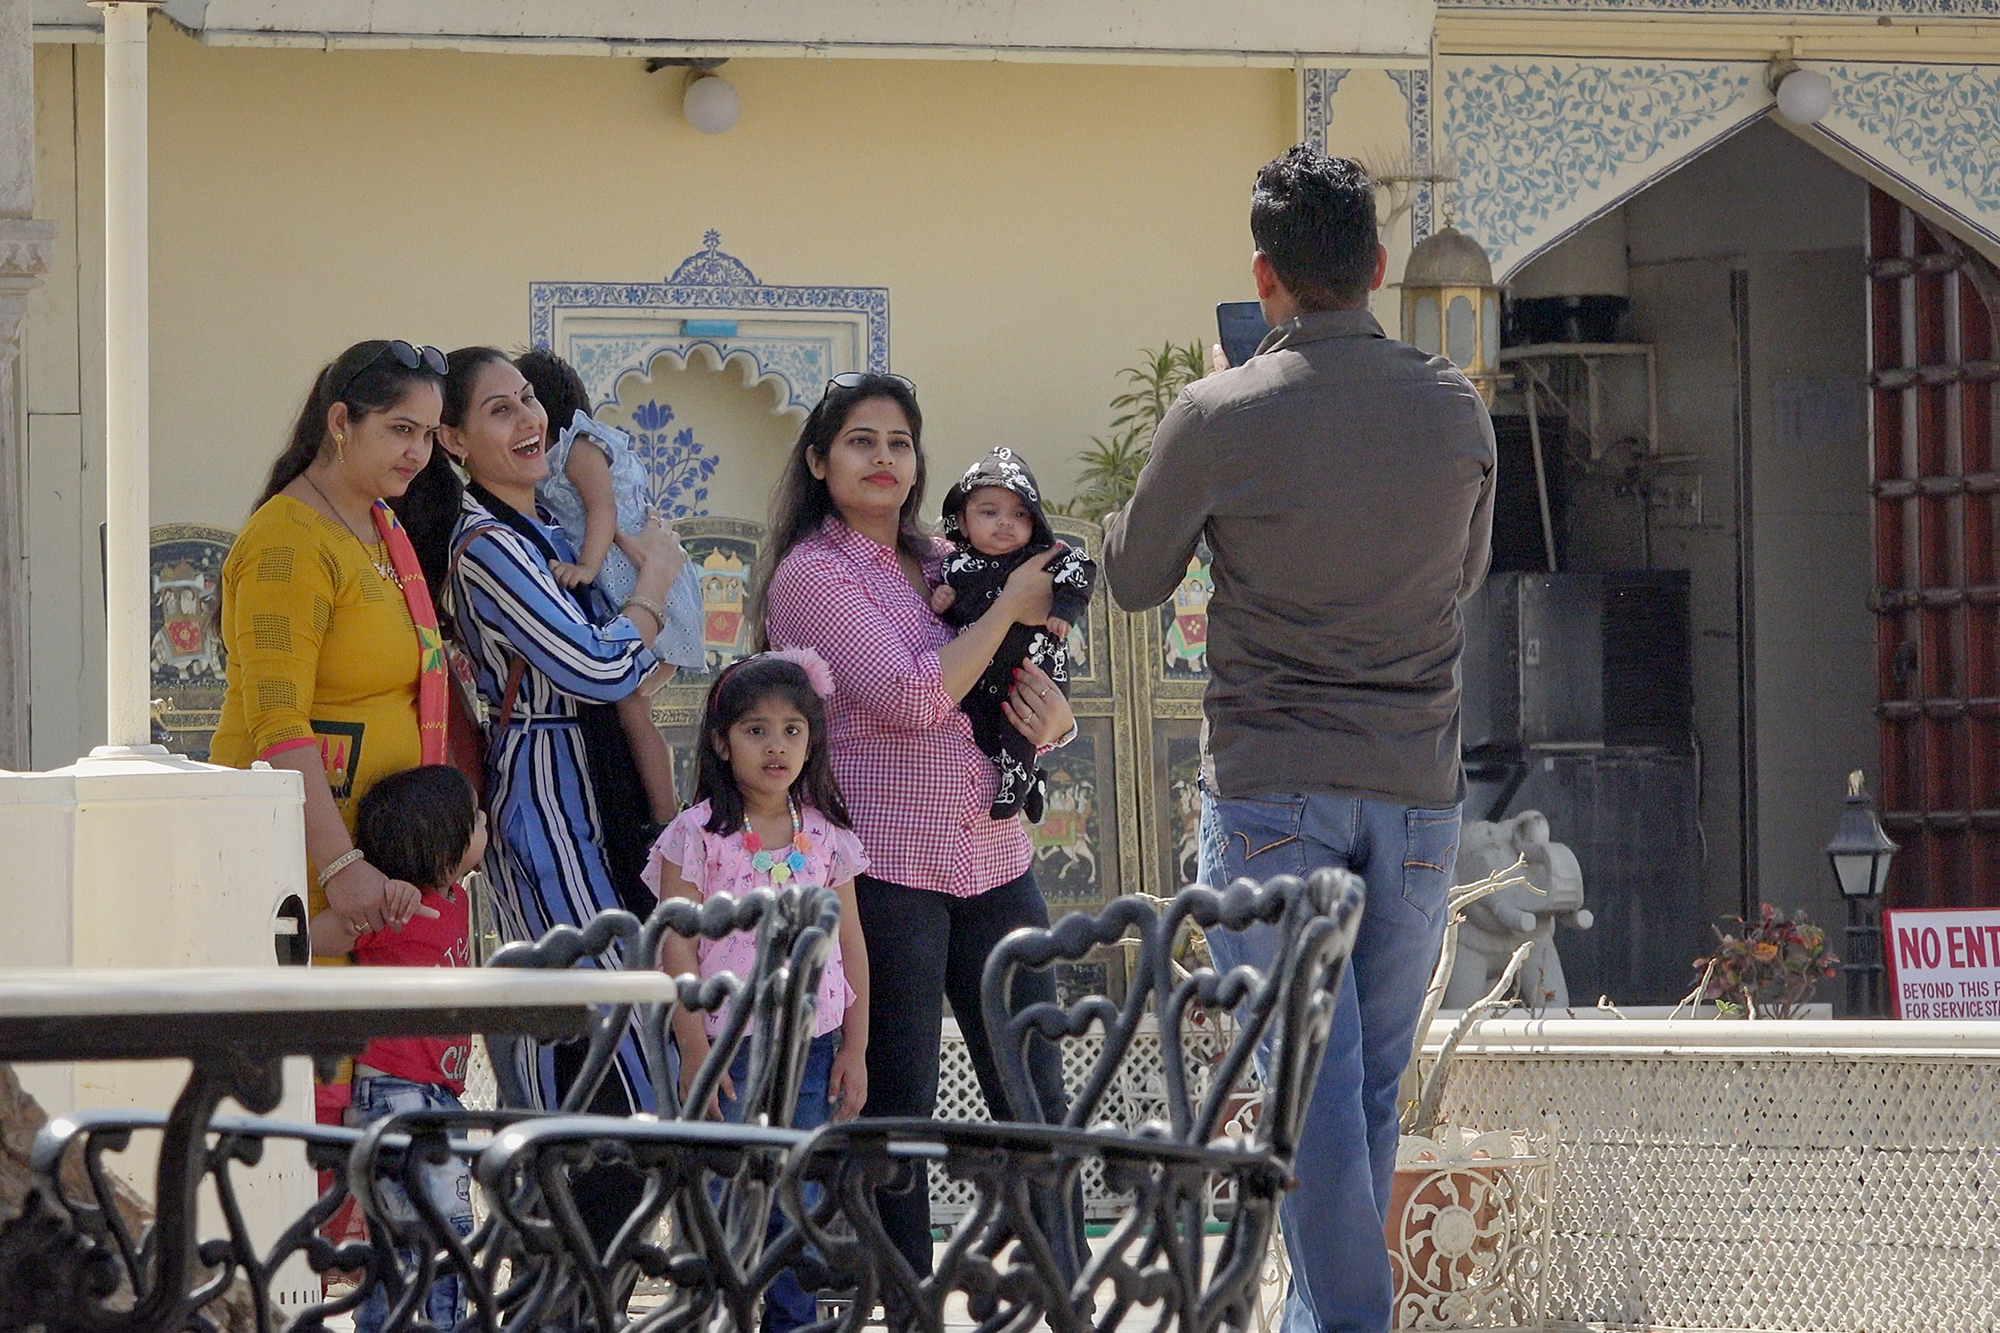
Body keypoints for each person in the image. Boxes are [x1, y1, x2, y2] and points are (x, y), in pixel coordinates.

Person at [1102, 146, 1496, 1333]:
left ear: (1262, 274)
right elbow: (1461, 580)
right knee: (1363, 1086)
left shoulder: (1221, 410)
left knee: (1302, 1088)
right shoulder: (1453, 405)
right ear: (1377, 267)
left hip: (1274, 783)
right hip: (1416, 786)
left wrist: (1227, 409)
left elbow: (1129, 577)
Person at [756, 372, 1084, 1291]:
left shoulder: (947, 561)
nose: (883, 458)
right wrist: (1011, 608)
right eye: (861, 441)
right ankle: (905, 1303)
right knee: (898, 1107)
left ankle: (1060, 1294)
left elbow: (1028, 676)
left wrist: (1057, 722)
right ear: (820, 460)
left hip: (993, 856)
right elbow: (908, 696)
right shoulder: (812, 575)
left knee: (1037, 1094)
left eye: (899, 442)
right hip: (888, 871)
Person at [433, 346, 686, 1118]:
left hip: (587, 776)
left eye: (527, 401)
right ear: (454, 442)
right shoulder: (487, 545)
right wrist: (655, 582)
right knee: (592, 1004)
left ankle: (613, 1216)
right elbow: (598, 667)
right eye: (498, 410)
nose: (528, 420)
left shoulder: (542, 526)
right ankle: (569, 1216)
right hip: (548, 790)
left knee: (625, 1000)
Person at [209, 339, 453, 1134]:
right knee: (310, 1131)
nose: (417, 451)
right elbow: (281, 723)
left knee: (377, 1125)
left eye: (427, 432)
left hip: (369, 872)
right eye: (400, 429)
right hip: (310, 874)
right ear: (341, 422)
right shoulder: (289, 541)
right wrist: (341, 865)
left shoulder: (379, 527)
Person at [643, 649, 870, 1333]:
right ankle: (714, 1313)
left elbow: (852, 943)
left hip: (812, 1045)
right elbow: (673, 940)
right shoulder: (697, 834)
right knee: (721, 1184)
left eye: (793, 729)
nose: (776, 745)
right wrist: (692, 1048)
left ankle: (792, 1320)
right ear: (720, 741)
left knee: (795, 1189)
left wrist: (854, 1047)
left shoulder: (827, 837)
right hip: (726, 1050)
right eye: (756, 729)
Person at [308, 764, 486, 1333]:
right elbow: (319, 937)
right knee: (418, 1234)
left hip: (438, 1095)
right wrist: (376, 906)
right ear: (444, 843)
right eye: (475, 820)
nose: (486, 824)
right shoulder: (402, 909)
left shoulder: (455, 895)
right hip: (396, 1093)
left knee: (442, 1232)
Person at [516, 347, 705, 827]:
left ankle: (664, 817)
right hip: (630, 576)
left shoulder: (578, 446)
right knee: (631, 709)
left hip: (641, 581)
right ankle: (662, 813)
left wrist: (584, 565)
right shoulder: (555, 459)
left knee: (632, 706)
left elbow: (603, 509)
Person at [929, 447, 1097, 822]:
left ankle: (1018, 781)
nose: (1005, 523)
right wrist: (946, 598)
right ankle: (1033, 778)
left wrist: (1063, 611)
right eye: (989, 512)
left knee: (1019, 722)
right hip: (979, 677)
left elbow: (1082, 572)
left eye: (1019, 514)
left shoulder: (1044, 556)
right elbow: (967, 613)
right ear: (963, 520)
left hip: (1032, 671)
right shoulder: (956, 564)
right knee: (985, 731)